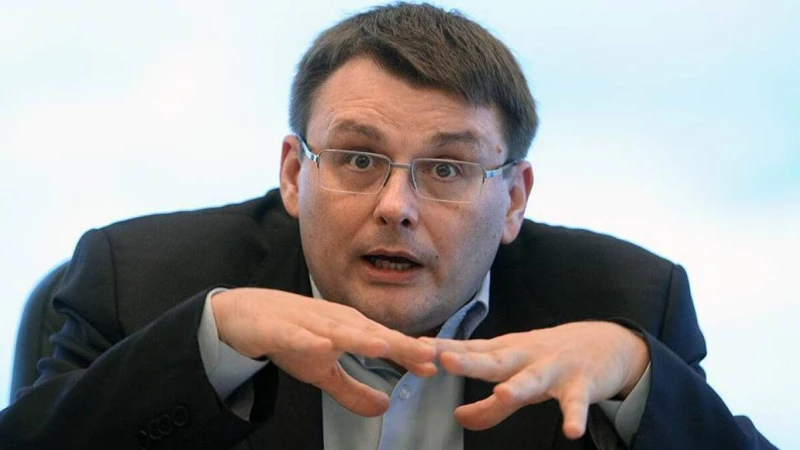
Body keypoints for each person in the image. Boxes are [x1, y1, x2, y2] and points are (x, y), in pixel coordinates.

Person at [0, 3, 776, 449]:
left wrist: (640, 381)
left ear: (513, 201)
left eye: (447, 169)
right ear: (295, 174)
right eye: (359, 158)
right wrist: (209, 347)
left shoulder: (625, 301)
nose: (395, 206)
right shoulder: (138, 278)